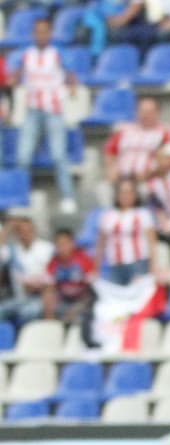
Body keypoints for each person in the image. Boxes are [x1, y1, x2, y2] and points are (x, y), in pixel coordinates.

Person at [14, 18, 77, 214]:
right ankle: (20, 195)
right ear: (33, 34)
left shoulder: (58, 53)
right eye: (37, 31)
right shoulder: (26, 54)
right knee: (22, 156)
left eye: (44, 31)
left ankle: (67, 197)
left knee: (59, 156)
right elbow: (16, 74)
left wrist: (71, 89)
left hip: (53, 111)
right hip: (32, 110)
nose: (40, 35)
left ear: (50, 33)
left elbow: (71, 74)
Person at [97, 179, 159, 286]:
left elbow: (152, 243)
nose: (126, 196)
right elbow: (101, 244)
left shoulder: (143, 214)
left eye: (130, 192)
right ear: (116, 195)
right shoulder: (108, 215)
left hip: (138, 263)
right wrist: (96, 268)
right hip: (115, 265)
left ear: (135, 195)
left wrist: (153, 266)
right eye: (123, 192)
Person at [0, 214, 55, 326]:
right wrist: (7, 228)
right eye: (21, 231)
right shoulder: (13, 250)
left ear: (34, 230)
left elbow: (55, 274)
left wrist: (39, 285)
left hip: (40, 297)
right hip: (19, 299)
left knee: (28, 313)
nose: (26, 234)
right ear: (17, 233)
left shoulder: (46, 248)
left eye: (29, 230)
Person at [104, 98, 170, 184]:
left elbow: (168, 161)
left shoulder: (166, 132)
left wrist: (152, 173)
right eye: (142, 111)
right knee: (104, 188)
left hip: (150, 179)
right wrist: (111, 168)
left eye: (149, 112)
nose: (145, 115)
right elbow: (110, 152)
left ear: (157, 113)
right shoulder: (124, 130)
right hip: (121, 178)